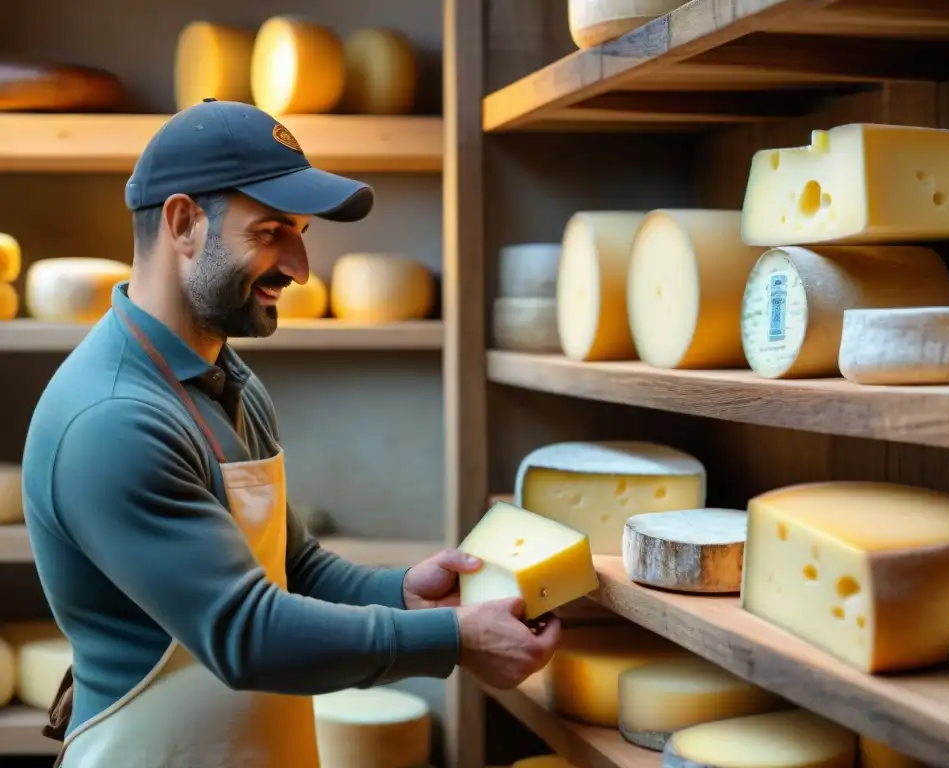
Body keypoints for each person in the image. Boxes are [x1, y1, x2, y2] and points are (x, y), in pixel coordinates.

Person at [21, 98, 560, 768]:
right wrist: (451, 637)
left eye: (300, 232)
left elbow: (291, 568)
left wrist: (402, 592)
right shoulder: (111, 418)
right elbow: (245, 634)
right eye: (272, 231)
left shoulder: (228, 381)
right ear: (184, 224)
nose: (301, 268)